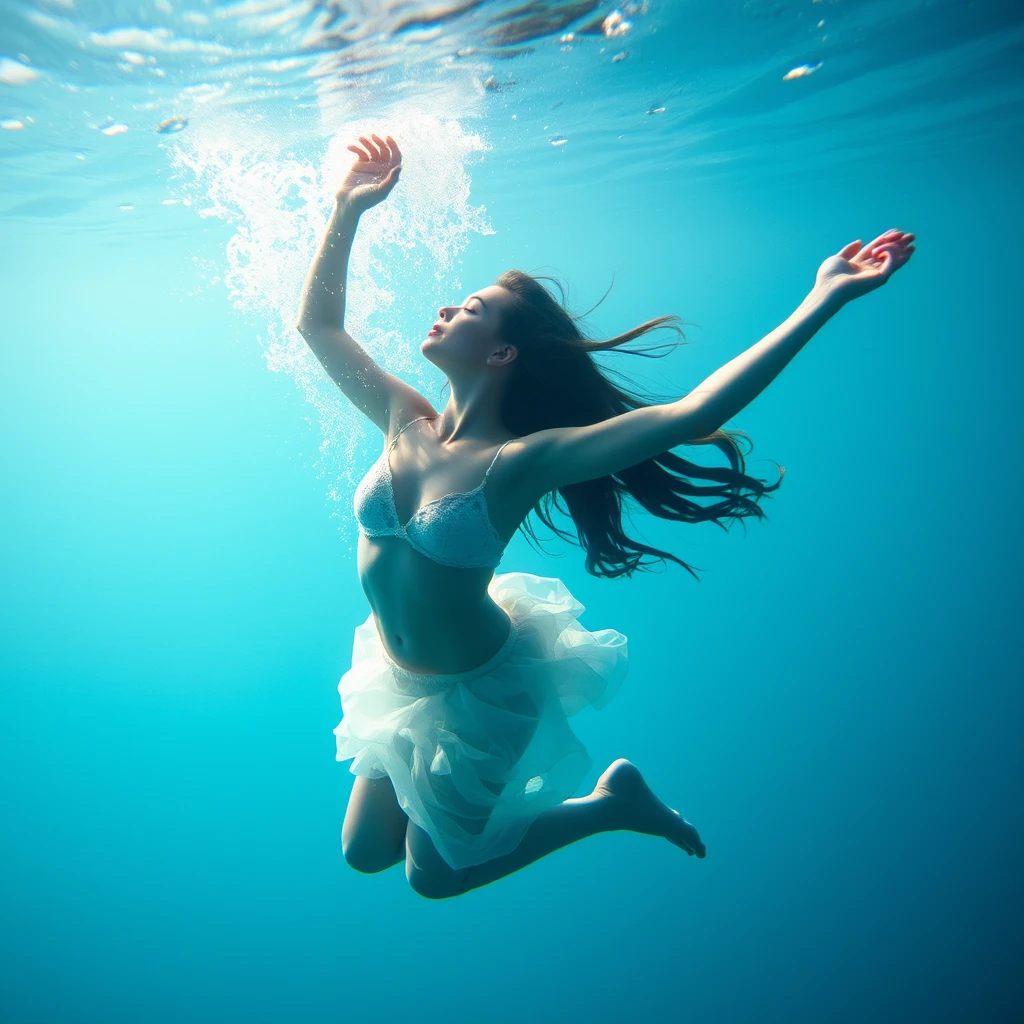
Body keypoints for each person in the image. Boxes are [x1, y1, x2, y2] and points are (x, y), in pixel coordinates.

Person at [296, 133, 915, 900]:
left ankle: (609, 810)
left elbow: (692, 414)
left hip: (485, 690)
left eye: (475, 308)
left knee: (433, 875)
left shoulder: (524, 461)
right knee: (364, 853)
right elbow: (318, 329)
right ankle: (601, 809)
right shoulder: (402, 418)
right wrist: (347, 209)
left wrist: (824, 297)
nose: (449, 306)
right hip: (397, 673)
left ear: (502, 356)